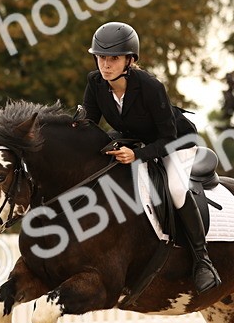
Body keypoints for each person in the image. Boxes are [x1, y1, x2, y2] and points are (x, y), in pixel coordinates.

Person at [81, 21, 220, 293]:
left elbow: (167, 137)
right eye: (100, 57)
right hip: (134, 141)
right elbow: (89, 125)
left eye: (113, 58)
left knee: (176, 189)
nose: (105, 65)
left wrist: (138, 155)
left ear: (129, 60)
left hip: (176, 143)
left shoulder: (150, 86)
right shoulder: (95, 82)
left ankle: (203, 261)